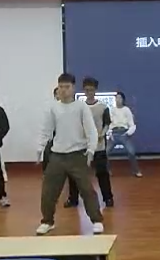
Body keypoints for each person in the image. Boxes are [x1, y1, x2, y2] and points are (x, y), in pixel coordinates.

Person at [36, 73, 104, 235]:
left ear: (73, 88)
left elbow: (91, 130)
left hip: (78, 155)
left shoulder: (81, 107)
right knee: (48, 191)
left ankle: (96, 220)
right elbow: (46, 130)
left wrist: (91, 150)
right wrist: (40, 148)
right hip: (57, 155)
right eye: (61, 87)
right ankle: (47, 221)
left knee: (87, 189)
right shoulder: (53, 108)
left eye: (67, 87)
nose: (63, 90)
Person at [65, 77, 114, 208]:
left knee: (102, 173)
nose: (89, 92)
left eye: (91, 90)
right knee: (75, 174)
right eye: (86, 90)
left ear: (95, 90)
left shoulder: (103, 107)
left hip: (98, 146)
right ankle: (73, 199)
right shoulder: (79, 107)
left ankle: (108, 198)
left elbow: (107, 123)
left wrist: (102, 134)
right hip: (82, 146)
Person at [107, 91, 142, 177]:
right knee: (105, 152)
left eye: (119, 98)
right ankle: (107, 171)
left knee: (131, 152)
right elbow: (109, 124)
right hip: (114, 134)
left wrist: (127, 133)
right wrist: (110, 133)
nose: (118, 100)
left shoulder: (126, 110)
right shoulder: (112, 110)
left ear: (123, 100)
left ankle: (136, 171)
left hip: (124, 133)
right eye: (116, 98)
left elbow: (132, 125)